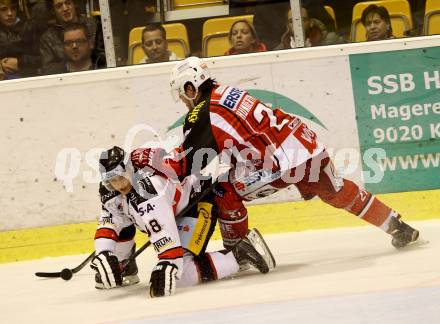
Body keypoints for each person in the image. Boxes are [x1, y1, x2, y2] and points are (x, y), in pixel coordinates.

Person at [132, 56, 420, 252]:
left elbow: (183, 166)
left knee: (222, 189)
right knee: (337, 189)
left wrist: (145, 158)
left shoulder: (202, 112)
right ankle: (396, 224)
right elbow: (242, 138)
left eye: (182, 94)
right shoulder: (228, 92)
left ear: (190, 87)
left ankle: (237, 252)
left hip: (281, 163)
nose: (183, 100)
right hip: (306, 145)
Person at [92, 146, 275, 297]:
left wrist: (168, 263)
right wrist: (103, 253)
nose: (119, 185)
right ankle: (124, 266)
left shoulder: (148, 191)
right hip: (172, 208)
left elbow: (169, 250)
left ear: (129, 169)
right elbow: (110, 220)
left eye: (121, 177)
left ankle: (241, 253)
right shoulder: (112, 191)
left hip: (196, 203)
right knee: (121, 216)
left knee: (179, 276)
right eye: (113, 181)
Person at [39, 0, 97, 74]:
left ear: (74, 4)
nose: (65, 8)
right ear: (53, 11)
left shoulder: (93, 25)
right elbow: (49, 70)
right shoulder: (48, 38)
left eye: (68, 3)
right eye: (59, 6)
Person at [0, 0, 41, 78]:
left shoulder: (29, 28)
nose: (10, 13)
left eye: (13, 8)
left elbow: (43, 59)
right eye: (3, 9)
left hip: (28, 75)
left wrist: (19, 62)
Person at [275, 7, 343, 50]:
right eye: (291, 21)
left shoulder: (332, 42)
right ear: (287, 26)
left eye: (303, 20)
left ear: (311, 23)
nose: (298, 25)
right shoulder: (279, 51)